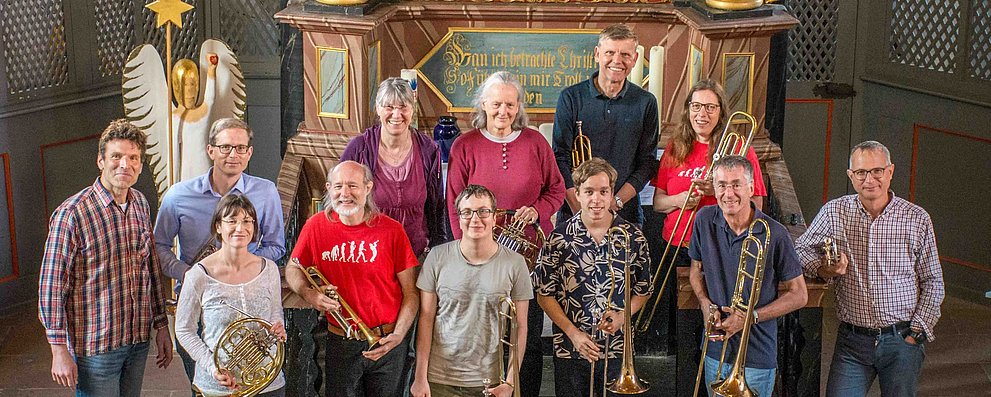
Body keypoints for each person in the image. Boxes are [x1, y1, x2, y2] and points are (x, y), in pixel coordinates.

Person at [445, 71, 565, 396]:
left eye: (510, 105)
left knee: (528, 336)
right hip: (482, 259)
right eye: (497, 103)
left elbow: (556, 189)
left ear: (518, 106)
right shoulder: (464, 145)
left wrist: (537, 210)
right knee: (484, 336)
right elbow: (454, 205)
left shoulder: (535, 142)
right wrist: (467, 257)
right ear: (484, 104)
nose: (503, 111)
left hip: (529, 258)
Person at [794, 140, 943, 397]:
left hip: (901, 339)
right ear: (851, 176)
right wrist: (823, 269)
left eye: (877, 171)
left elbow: (933, 281)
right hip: (852, 341)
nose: (869, 179)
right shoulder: (835, 212)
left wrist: (917, 332)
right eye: (861, 172)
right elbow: (799, 251)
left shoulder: (916, 218)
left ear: (890, 171)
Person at [38, 119, 172, 396]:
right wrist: (58, 349)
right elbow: (52, 287)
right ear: (100, 161)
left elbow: (150, 270)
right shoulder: (72, 214)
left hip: (137, 340)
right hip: (96, 347)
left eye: (133, 158)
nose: (125, 164)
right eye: (116, 156)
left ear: (141, 165)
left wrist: (161, 326)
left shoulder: (140, 203)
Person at [155, 117, 286, 385]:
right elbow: (158, 247)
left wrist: (242, 267)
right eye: (225, 147)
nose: (233, 155)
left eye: (240, 148)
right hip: (197, 305)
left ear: (249, 153)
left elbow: (276, 246)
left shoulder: (266, 191)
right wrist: (190, 273)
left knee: (251, 383)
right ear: (211, 150)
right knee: (206, 384)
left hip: (248, 309)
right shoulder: (178, 196)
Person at [646, 79, 768, 350]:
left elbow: (757, 204)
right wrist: (681, 199)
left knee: (713, 319)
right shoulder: (675, 147)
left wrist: (718, 191)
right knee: (678, 327)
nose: (702, 114)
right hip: (677, 245)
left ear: (721, 112)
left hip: (719, 248)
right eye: (696, 106)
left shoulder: (739, 149)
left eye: (710, 107)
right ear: (688, 110)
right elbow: (658, 203)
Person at [285, 161, 420, 397]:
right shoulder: (315, 226)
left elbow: (411, 293)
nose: (345, 193)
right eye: (338, 186)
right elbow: (293, 268)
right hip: (341, 341)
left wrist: (398, 336)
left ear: (368, 188)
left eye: (352, 186)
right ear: (328, 188)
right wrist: (309, 293)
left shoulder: (392, 230)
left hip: (388, 340)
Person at [687, 155, 807, 397]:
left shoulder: (775, 233)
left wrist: (750, 317)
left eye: (736, 185)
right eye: (722, 185)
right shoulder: (704, 220)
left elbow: (800, 295)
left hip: (757, 355)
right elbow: (695, 270)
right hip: (715, 348)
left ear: (751, 189)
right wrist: (704, 302)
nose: (728, 193)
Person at [533, 157, 653, 397]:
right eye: (589, 192)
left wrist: (622, 317)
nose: (596, 199)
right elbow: (543, 294)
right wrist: (573, 334)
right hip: (571, 347)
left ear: (611, 194)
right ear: (577, 194)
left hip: (617, 347)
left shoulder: (633, 237)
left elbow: (644, 290)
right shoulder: (558, 239)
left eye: (603, 191)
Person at [412, 184, 532, 397]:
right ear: (458, 218)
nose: (475, 219)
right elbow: (426, 319)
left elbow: (520, 327)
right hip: (438, 379)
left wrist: (511, 382)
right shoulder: (437, 257)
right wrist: (420, 377)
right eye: (467, 212)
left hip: (490, 382)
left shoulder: (516, 263)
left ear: (494, 218)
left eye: (483, 211)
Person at [175, 194, 287, 396]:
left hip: (268, 382)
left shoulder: (269, 269)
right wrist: (213, 367)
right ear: (218, 226)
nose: (240, 228)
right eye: (232, 221)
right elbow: (184, 329)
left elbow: (275, 313)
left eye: (247, 221)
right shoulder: (198, 275)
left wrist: (278, 327)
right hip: (218, 387)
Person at [553, 24, 659, 226]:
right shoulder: (570, 97)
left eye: (625, 54)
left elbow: (648, 163)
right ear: (597, 54)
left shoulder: (646, 102)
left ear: (635, 59)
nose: (617, 61)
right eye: (610, 52)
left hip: (625, 214)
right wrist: (580, 208)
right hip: (574, 212)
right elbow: (559, 157)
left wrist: (614, 202)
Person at [342, 77, 448, 259]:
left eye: (403, 107)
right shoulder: (359, 149)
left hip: (416, 256)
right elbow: (339, 200)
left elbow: (437, 206)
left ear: (412, 109)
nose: (397, 115)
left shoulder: (428, 150)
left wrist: (439, 252)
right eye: (389, 107)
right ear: (378, 108)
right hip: (368, 255)